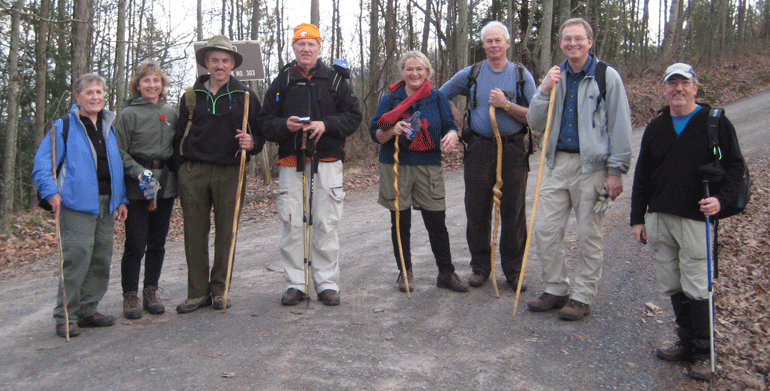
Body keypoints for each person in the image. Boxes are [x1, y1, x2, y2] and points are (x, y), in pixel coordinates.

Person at [630, 63, 745, 381]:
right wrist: (637, 218)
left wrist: (720, 200)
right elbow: (641, 175)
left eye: (685, 83)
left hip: (696, 217)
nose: (678, 89)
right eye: (672, 83)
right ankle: (685, 341)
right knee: (673, 282)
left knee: (697, 284)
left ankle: (704, 352)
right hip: (659, 218)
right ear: (664, 89)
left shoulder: (714, 123)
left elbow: (735, 166)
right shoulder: (656, 127)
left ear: (696, 87)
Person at [525, 17, 632, 321]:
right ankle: (556, 289)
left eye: (578, 38)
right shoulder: (555, 77)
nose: (572, 43)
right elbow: (534, 122)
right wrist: (544, 89)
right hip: (557, 163)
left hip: (593, 167)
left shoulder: (605, 76)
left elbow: (620, 125)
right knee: (545, 229)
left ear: (590, 42)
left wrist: (616, 170)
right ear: (560, 43)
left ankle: (582, 296)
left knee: (588, 234)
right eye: (567, 39)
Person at [258, 23, 362, 306]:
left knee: (325, 223)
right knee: (292, 223)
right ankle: (296, 283)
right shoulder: (282, 81)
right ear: (293, 47)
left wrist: (325, 124)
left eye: (311, 44)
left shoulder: (336, 81)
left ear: (319, 47)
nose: (305, 49)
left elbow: (354, 117)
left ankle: (326, 283)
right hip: (292, 161)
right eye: (300, 44)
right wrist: (285, 125)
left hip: (327, 160)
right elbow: (265, 122)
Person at [439, 21, 537, 291]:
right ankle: (481, 267)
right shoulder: (472, 73)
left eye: (498, 40)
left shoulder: (520, 74)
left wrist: (506, 105)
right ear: (483, 45)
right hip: (479, 147)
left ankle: (514, 271)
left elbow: (536, 113)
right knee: (477, 209)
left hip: (513, 148)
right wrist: (459, 120)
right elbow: (440, 95)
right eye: (488, 41)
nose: (494, 45)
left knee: (513, 210)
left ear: (507, 43)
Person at [32, 73, 129, 338]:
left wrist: (121, 199)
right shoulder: (63, 126)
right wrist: (51, 193)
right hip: (76, 203)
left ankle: (88, 310)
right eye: (89, 93)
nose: (95, 97)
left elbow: (115, 165)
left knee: (100, 259)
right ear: (78, 96)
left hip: (107, 203)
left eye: (99, 92)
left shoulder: (109, 125)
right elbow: (43, 165)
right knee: (76, 259)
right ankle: (65, 315)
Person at [172, 35, 264, 313]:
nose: (220, 65)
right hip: (194, 171)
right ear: (206, 63)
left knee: (227, 233)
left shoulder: (245, 96)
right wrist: (180, 169)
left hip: (230, 171)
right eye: (214, 60)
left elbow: (261, 132)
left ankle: (220, 291)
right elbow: (178, 136)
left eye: (225, 60)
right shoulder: (191, 95)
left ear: (233, 64)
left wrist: (253, 143)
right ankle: (197, 293)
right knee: (194, 233)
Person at [370, 51, 468, 293]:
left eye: (419, 69)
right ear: (402, 72)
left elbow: (448, 124)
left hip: (428, 164)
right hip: (395, 165)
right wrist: (392, 129)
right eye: (409, 69)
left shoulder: (437, 98)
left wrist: (453, 134)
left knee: (436, 220)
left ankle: (446, 272)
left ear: (427, 72)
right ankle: (405, 272)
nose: (414, 73)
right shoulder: (390, 100)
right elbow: (377, 134)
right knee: (400, 222)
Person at [115, 61, 178, 319]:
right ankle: (130, 294)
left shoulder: (171, 113)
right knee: (136, 242)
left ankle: (151, 289)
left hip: (165, 184)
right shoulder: (128, 114)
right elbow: (118, 151)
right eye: (146, 81)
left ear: (162, 85)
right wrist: (137, 171)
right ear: (138, 85)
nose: (151, 86)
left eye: (156, 81)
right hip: (137, 185)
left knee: (157, 242)